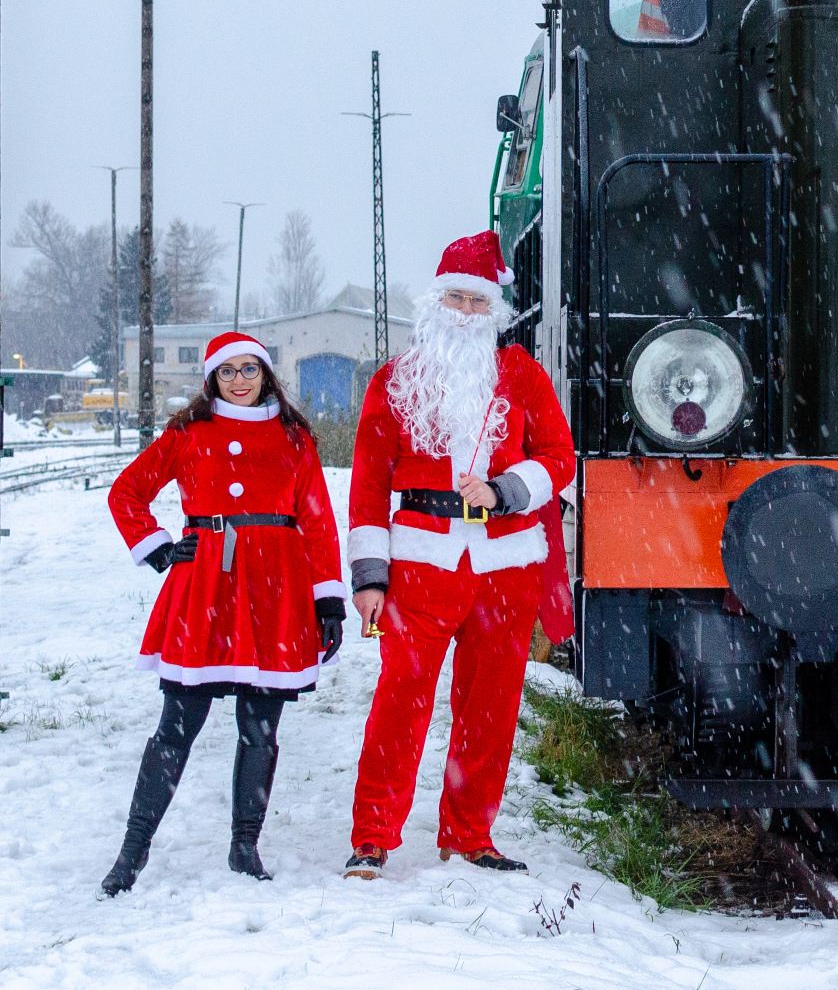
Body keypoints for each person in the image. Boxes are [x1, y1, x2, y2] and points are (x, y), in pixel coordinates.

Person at [343, 232, 573, 878]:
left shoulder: (522, 375)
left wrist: (505, 490)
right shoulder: (395, 381)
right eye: (456, 299)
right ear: (434, 302)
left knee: (491, 707)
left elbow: (560, 459)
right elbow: (366, 482)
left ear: (494, 310)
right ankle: (373, 835)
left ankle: (469, 834)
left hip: (506, 567)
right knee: (399, 700)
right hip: (419, 567)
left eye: (478, 302)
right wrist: (369, 574)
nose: (466, 312)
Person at [101, 331, 344, 895]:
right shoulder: (189, 432)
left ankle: (245, 847)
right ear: (212, 378)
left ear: (265, 374)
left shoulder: (293, 437)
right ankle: (131, 853)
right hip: (205, 591)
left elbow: (318, 520)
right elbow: (126, 492)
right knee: (175, 730)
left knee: (260, 733)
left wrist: (327, 598)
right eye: (228, 371)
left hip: (276, 594)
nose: (240, 380)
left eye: (249, 369)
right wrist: (158, 546)